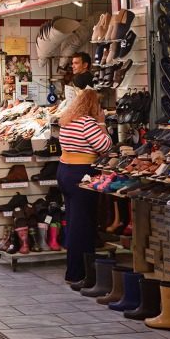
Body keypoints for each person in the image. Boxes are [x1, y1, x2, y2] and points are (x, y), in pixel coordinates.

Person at [57, 89, 111, 283]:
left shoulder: (67, 120)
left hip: (64, 170)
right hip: (82, 173)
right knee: (83, 224)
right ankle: (79, 272)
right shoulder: (87, 123)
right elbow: (104, 146)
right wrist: (102, 123)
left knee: (74, 221)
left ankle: (76, 269)